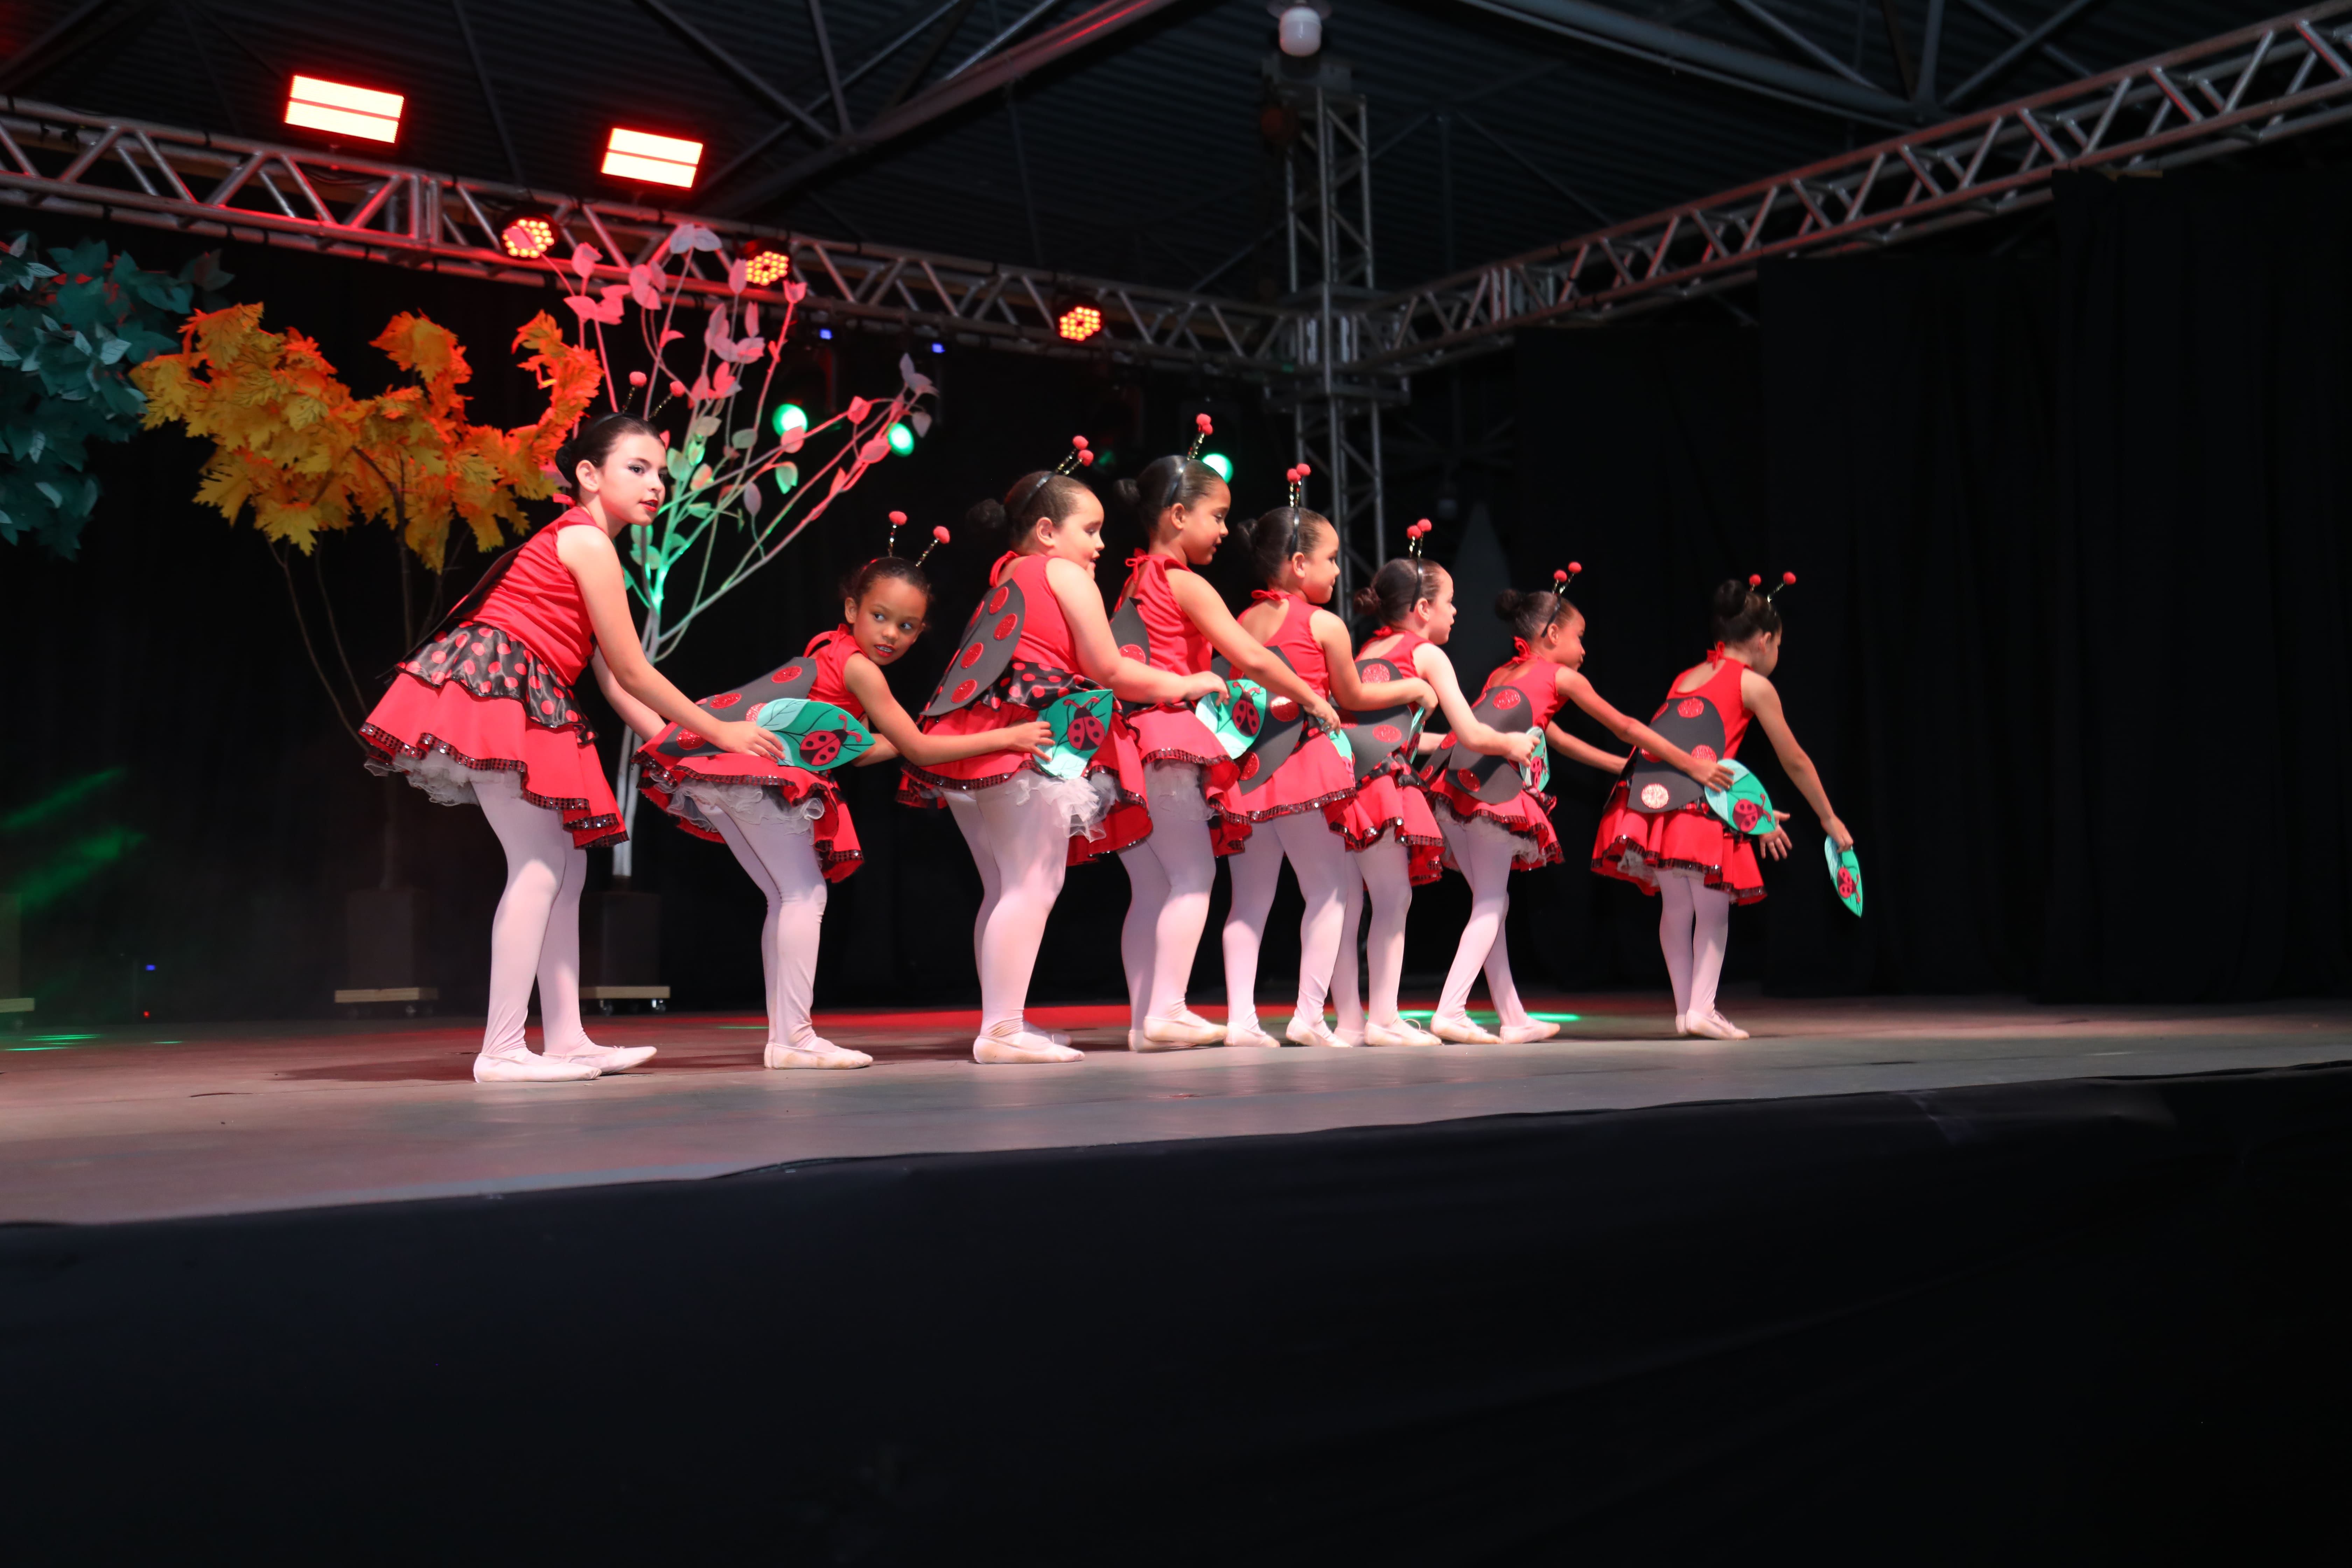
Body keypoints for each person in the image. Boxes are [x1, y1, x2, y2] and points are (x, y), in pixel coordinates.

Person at [360, 413, 786, 1083]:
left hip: (523, 688)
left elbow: (616, 683)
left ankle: (565, 1038)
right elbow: (636, 671)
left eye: (661, 474)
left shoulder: (588, 543)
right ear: (588, 474)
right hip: (502, 686)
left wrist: (682, 754)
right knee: (537, 865)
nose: (656, 486)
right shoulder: (586, 540)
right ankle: (502, 1049)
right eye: (637, 470)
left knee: (567, 866)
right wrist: (720, 731)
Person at [635, 528, 1051, 1069]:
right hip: (760, 774)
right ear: (853, 609)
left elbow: (856, 751)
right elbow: (921, 752)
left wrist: (915, 734)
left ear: (921, 631)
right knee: (803, 895)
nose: (891, 634)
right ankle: (793, 1038)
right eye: (880, 616)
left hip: (734, 778)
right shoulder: (860, 669)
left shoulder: (830, 651)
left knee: (788, 895)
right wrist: (1007, 737)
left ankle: (788, 1037)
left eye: (907, 626)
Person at [901, 459, 1224, 1064]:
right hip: (1029, 738)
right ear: (1048, 531)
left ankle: (1003, 1020)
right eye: (1091, 530)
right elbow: (1110, 668)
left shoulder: (1006, 576)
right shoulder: (1062, 572)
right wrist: (1188, 683)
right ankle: (1001, 1031)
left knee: (1004, 888)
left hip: (972, 740)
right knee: (1033, 883)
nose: (1101, 545)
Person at [1421, 572, 1732, 1044]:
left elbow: (1558, 738)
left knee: (1492, 901)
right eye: (1579, 636)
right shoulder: (1561, 676)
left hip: (1452, 784)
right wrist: (1691, 765)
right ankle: (1451, 1010)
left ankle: (1512, 1017)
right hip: (1492, 792)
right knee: (1491, 902)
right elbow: (1626, 726)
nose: (1584, 648)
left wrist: (1626, 768)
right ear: (1552, 635)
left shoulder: (1502, 675)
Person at [1107, 453, 1342, 1051]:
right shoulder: (1183, 582)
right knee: (1194, 874)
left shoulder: (1135, 581)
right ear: (1178, 515)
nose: (1222, 530)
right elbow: (1254, 658)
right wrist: (1310, 698)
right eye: (1215, 516)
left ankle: (1144, 1022)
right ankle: (1168, 1010)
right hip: (1167, 738)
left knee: (1152, 888)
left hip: (1131, 739)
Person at [1592, 574, 1851, 1041]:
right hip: (1700, 808)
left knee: (1676, 908)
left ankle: (1685, 1011)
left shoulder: (1687, 676)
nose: (1778, 654)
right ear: (1765, 640)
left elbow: (1696, 750)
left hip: (1656, 805)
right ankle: (1703, 1009)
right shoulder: (1753, 685)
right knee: (1713, 909)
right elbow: (1793, 759)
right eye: (1779, 645)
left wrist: (1758, 810)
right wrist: (1828, 817)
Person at [1219, 501, 1434, 1048]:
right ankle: (1309, 1015)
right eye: (1332, 559)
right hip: (1305, 764)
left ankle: (1241, 1020)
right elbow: (1352, 695)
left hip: (1251, 768)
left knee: (1248, 903)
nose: (1339, 571)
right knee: (1328, 892)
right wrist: (1413, 687)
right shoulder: (1324, 623)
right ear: (1299, 564)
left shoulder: (1243, 621)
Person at [1329, 552, 1538, 1045]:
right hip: (1381, 784)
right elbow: (1472, 731)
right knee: (1393, 898)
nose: (1455, 611)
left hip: (1342, 778)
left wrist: (1445, 743)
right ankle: (1384, 1019)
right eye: (1450, 602)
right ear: (1423, 608)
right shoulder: (1426, 655)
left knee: (1346, 904)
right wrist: (1511, 743)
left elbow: (1389, 731)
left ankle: (1350, 1022)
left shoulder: (1368, 651)